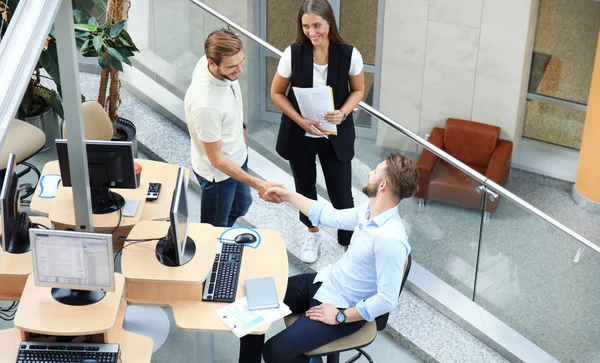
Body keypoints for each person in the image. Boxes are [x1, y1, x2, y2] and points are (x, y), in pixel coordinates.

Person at [239, 153, 419, 363]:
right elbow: (328, 215)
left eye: (375, 171)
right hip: (326, 282)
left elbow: (387, 300)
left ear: (382, 185)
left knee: (274, 352)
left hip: (344, 307)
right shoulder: (369, 211)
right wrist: (287, 195)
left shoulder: (391, 240)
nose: (370, 173)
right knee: (252, 304)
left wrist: (340, 317)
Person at [271, 0, 365, 263]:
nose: (312, 32)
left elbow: (358, 90)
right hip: (301, 135)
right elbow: (276, 93)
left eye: (317, 26)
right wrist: (300, 120)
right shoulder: (293, 53)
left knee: (341, 194)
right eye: (306, 26)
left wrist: (344, 112)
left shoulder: (349, 54)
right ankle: (311, 232)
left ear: (329, 23)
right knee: (304, 187)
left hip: (335, 135)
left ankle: (347, 247)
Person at [184, 29, 282, 227]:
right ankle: (214, 246)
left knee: (242, 205)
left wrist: (243, 143)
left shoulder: (215, 64)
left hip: (237, 157)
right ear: (212, 63)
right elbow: (217, 159)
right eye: (232, 67)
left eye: (241, 62)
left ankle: (222, 236)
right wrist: (259, 184)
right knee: (213, 227)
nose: (240, 71)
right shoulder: (205, 105)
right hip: (218, 176)